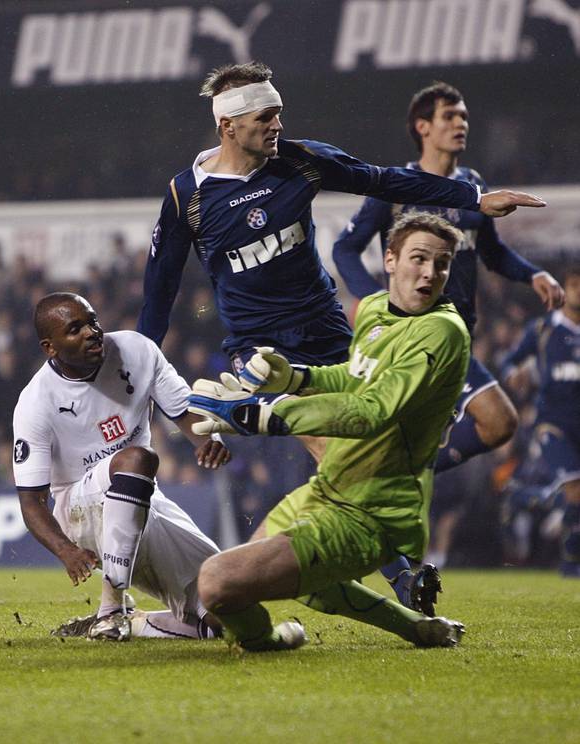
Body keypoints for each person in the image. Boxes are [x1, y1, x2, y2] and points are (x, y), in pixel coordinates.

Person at [137, 62, 547, 606]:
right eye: (266, 117)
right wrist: (142, 378)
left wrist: (472, 199)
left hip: (328, 329)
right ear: (228, 127)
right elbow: (158, 295)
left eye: (279, 113)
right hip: (261, 351)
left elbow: (383, 180)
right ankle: (405, 577)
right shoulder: (187, 196)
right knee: (336, 453)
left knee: (373, 447)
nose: (278, 125)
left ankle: (355, 561)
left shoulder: (299, 162)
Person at [187, 212, 471, 651]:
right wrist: (295, 378)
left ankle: (267, 639)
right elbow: (355, 378)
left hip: (374, 512)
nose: (430, 273)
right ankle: (411, 627)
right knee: (242, 582)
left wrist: (270, 416)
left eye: (443, 264)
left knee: (217, 581)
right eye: (419, 259)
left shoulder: (442, 331)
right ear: (391, 260)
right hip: (327, 487)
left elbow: (372, 411)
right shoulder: (374, 309)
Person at [333, 81, 564, 476]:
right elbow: (345, 249)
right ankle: (385, 473)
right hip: (411, 336)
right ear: (422, 127)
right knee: (497, 420)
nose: (462, 123)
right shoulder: (396, 185)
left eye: (464, 117)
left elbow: (490, 252)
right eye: (450, 116)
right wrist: (374, 300)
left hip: (456, 335)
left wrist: (533, 274)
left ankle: (395, 472)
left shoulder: (473, 185)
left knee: (477, 428)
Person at [13, 292, 230, 641]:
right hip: (80, 512)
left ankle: (138, 622)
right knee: (137, 458)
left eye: (93, 321)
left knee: (230, 598)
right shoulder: (35, 402)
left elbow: (185, 414)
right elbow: (31, 502)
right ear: (50, 347)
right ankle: (111, 608)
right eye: (75, 329)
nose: (91, 332)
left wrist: (209, 441)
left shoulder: (137, 351)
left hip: (143, 497)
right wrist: (65, 551)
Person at [502, 266, 580, 577]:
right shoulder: (543, 330)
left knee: (573, 495)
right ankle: (571, 563)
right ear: (564, 288)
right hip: (554, 425)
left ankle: (525, 498)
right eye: (575, 284)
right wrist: (514, 374)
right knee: (575, 490)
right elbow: (511, 360)